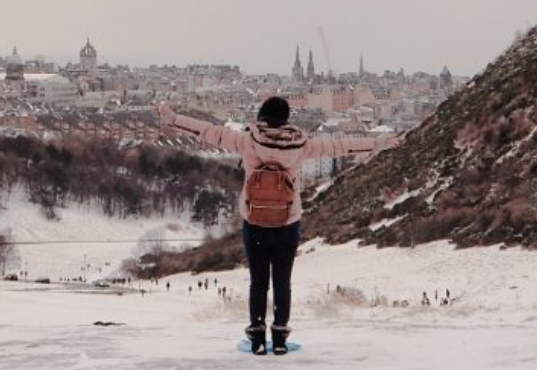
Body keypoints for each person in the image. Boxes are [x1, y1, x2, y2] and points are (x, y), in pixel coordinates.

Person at [158, 97, 397, 356]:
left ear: (262, 116)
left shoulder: (247, 141)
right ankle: (280, 337)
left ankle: (258, 337)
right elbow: (339, 146)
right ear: (286, 119)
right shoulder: (300, 145)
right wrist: (378, 144)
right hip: (286, 222)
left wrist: (173, 120)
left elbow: (208, 131)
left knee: (258, 283)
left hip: (255, 220)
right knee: (282, 282)